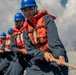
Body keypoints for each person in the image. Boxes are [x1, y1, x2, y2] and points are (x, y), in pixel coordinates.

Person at [20, 0, 68, 75]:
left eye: (30, 8)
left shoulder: (47, 19)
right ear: (22, 12)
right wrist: (43, 54)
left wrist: (59, 55)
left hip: (55, 58)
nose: (28, 12)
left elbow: (54, 41)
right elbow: (30, 49)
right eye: (25, 10)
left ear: (36, 8)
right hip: (40, 58)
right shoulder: (25, 30)